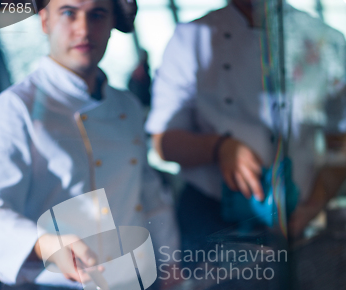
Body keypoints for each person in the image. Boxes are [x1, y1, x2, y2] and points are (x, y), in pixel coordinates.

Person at [0, 0, 178, 290]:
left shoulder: (125, 104)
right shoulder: (15, 107)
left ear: (114, 22)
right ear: (44, 21)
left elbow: (149, 195)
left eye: (97, 14)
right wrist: (44, 243)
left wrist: (170, 265)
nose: (83, 29)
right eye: (69, 12)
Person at [146, 0, 346, 248]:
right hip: (211, 219)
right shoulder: (192, 37)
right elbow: (163, 144)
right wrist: (219, 147)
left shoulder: (328, 41)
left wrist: (313, 207)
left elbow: (340, 141)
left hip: (295, 218)